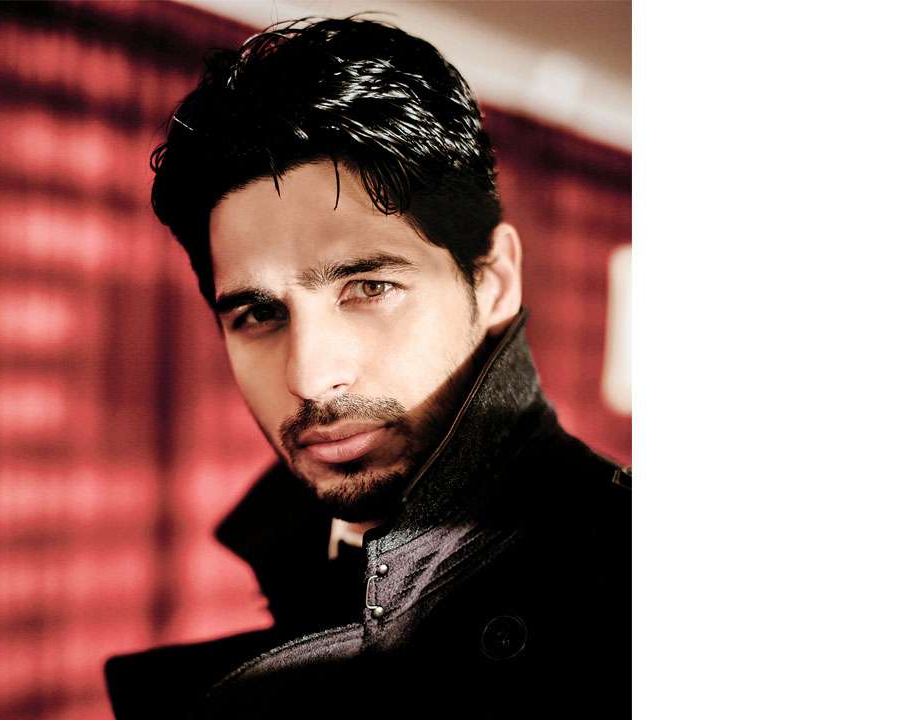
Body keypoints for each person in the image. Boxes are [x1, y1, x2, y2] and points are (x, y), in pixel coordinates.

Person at [104, 16, 629, 718]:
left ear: (494, 281)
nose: (308, 377)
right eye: (259, 314)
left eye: (369, 287)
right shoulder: (301, 550)